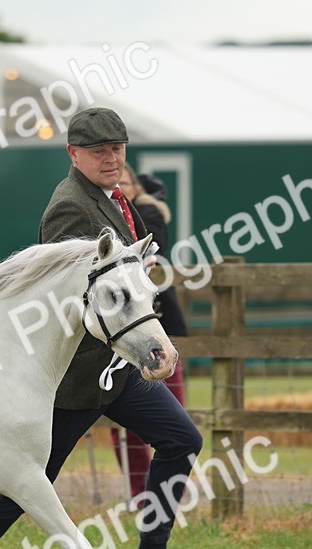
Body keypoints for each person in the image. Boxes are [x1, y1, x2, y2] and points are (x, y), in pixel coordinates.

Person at [0, 106, 214, 549]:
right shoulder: (70, 208)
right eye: (99, 151)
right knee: (22, 484)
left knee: (181, 438)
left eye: (117, 149)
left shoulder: (112, 197)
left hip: (114, 367)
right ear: (73, 154)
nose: (111, 159)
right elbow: (73, 298)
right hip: (73, 373)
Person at [110, 163, 191, 498]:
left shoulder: (146, 214)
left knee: (173, 413)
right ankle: (140, 492)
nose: (120, 187)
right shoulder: (102, 214)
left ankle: (168, 489)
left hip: (154, 320)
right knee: (122, 426)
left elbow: (147, 245)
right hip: (119, 329)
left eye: (126, 181)